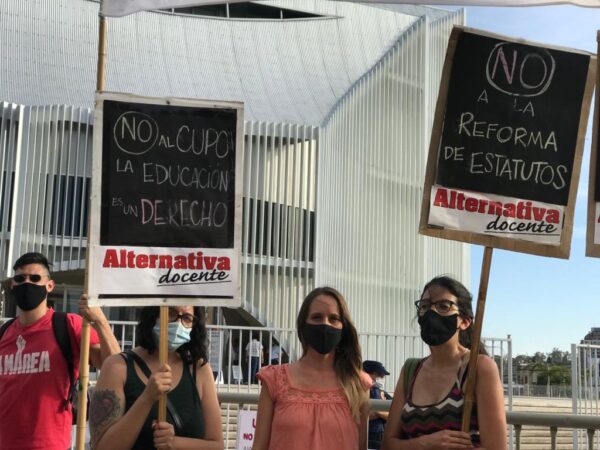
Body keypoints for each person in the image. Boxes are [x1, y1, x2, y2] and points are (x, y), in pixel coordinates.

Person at [0, 252, 121, 450]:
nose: (27, 283)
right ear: (13, 285)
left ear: (50, 286)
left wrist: (100, 321)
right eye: (20, 279)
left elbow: (114, 366)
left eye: (35, 278)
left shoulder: (68, 325)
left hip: (51, 445)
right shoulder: (3, 333)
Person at [382, 276, 506, 450]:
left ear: (464, 321)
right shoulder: (411, 370)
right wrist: (426, 443)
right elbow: (388, 444)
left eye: (444, 306)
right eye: (424, 306)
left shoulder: (478, 368)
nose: (431, 312)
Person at [252, 286, 372, 450]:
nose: (325, 324)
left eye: (333, 318)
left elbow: (361, 446)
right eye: (317, 317)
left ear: (343, 328)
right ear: (303, 326)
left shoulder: (358, 383)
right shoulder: (274, 380)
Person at [90, 305, 224, 450]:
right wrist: (147, 398)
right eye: (171, 313)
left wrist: (174, 443)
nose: (178, 324)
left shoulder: (200, 370)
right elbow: (102, 446)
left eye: (187, 318)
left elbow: (216, 445)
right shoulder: (117, 367)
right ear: (153, 313)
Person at [363, 360, 391, 449]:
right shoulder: (356, 393)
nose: (376, 381)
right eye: (376, 377)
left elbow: (394, 415)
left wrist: (378, 412)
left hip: (378, 435)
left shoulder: (381, 393)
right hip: (364, 433)